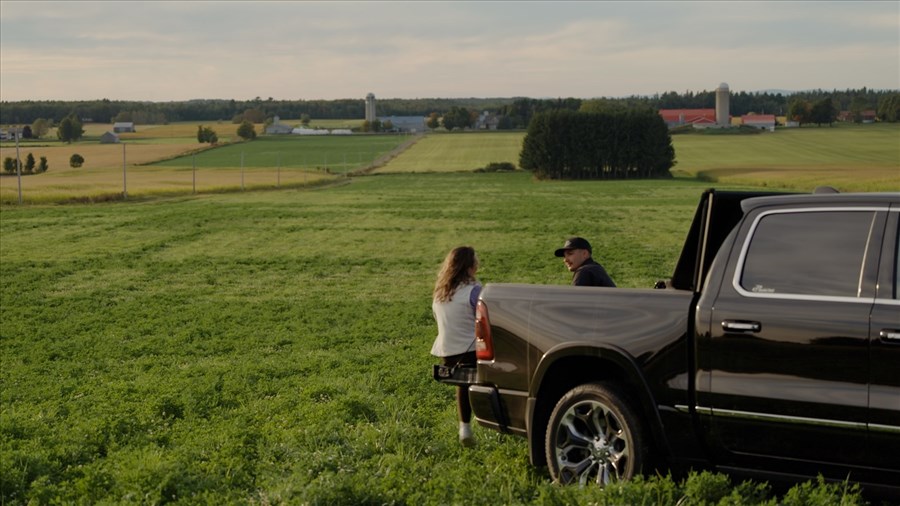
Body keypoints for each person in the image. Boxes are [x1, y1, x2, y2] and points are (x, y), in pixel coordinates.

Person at [431, 246, 482, 447]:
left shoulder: (440, 293)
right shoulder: (474, 291)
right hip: (470, 350)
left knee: (463, 385)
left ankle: (465, 427)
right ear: (470, 266)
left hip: (447, 353)